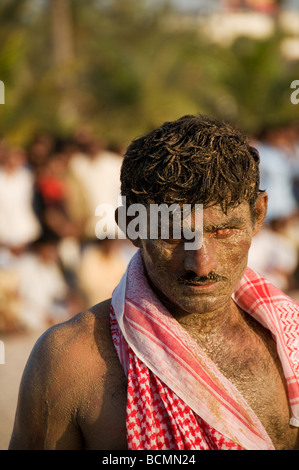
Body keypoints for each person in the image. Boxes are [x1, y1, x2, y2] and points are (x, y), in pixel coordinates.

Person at [9, 115, 299, 450]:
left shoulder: (290, 340)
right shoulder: (69, 364)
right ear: (131, 227)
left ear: (258, 215)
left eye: (224, 232)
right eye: (173, 236)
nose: (201, 265)